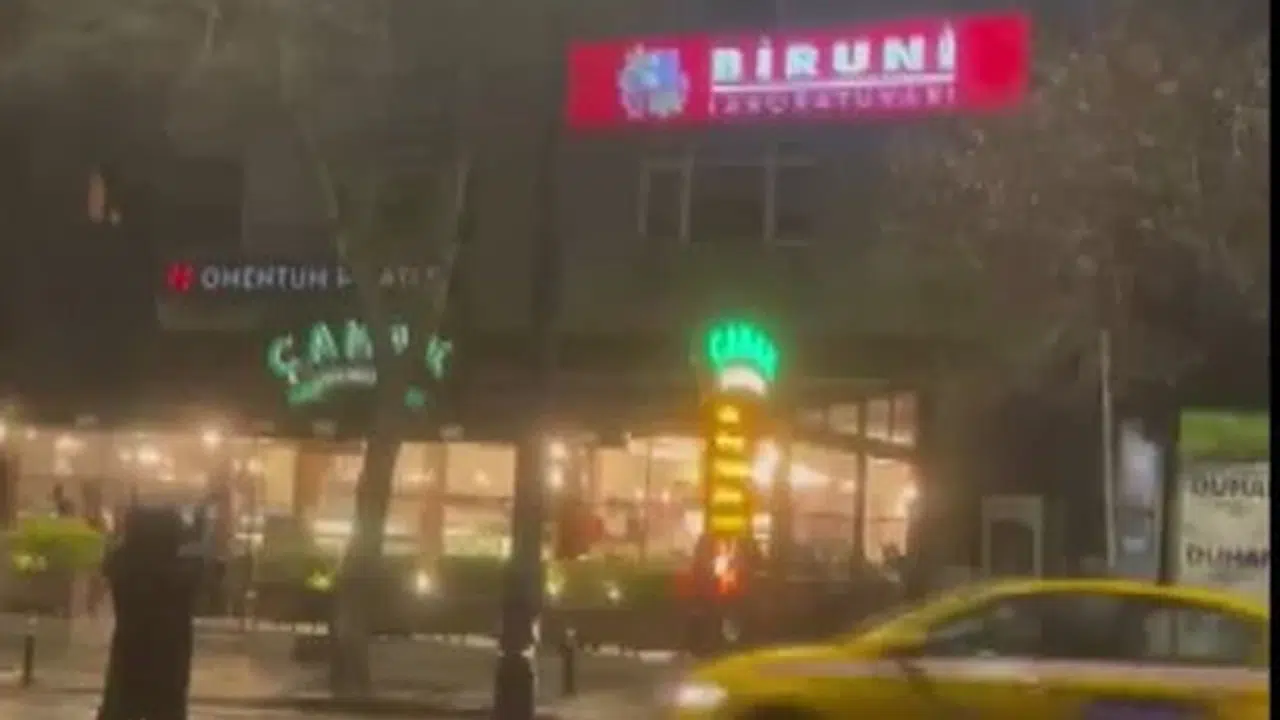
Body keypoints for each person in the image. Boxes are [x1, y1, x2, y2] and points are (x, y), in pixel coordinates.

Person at [98, 506, 202, 720]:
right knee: (168, 709)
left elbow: (110, 564)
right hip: (170, 655)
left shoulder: (123, 564)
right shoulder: (181, 571)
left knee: (121, 706)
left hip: (130, 650)